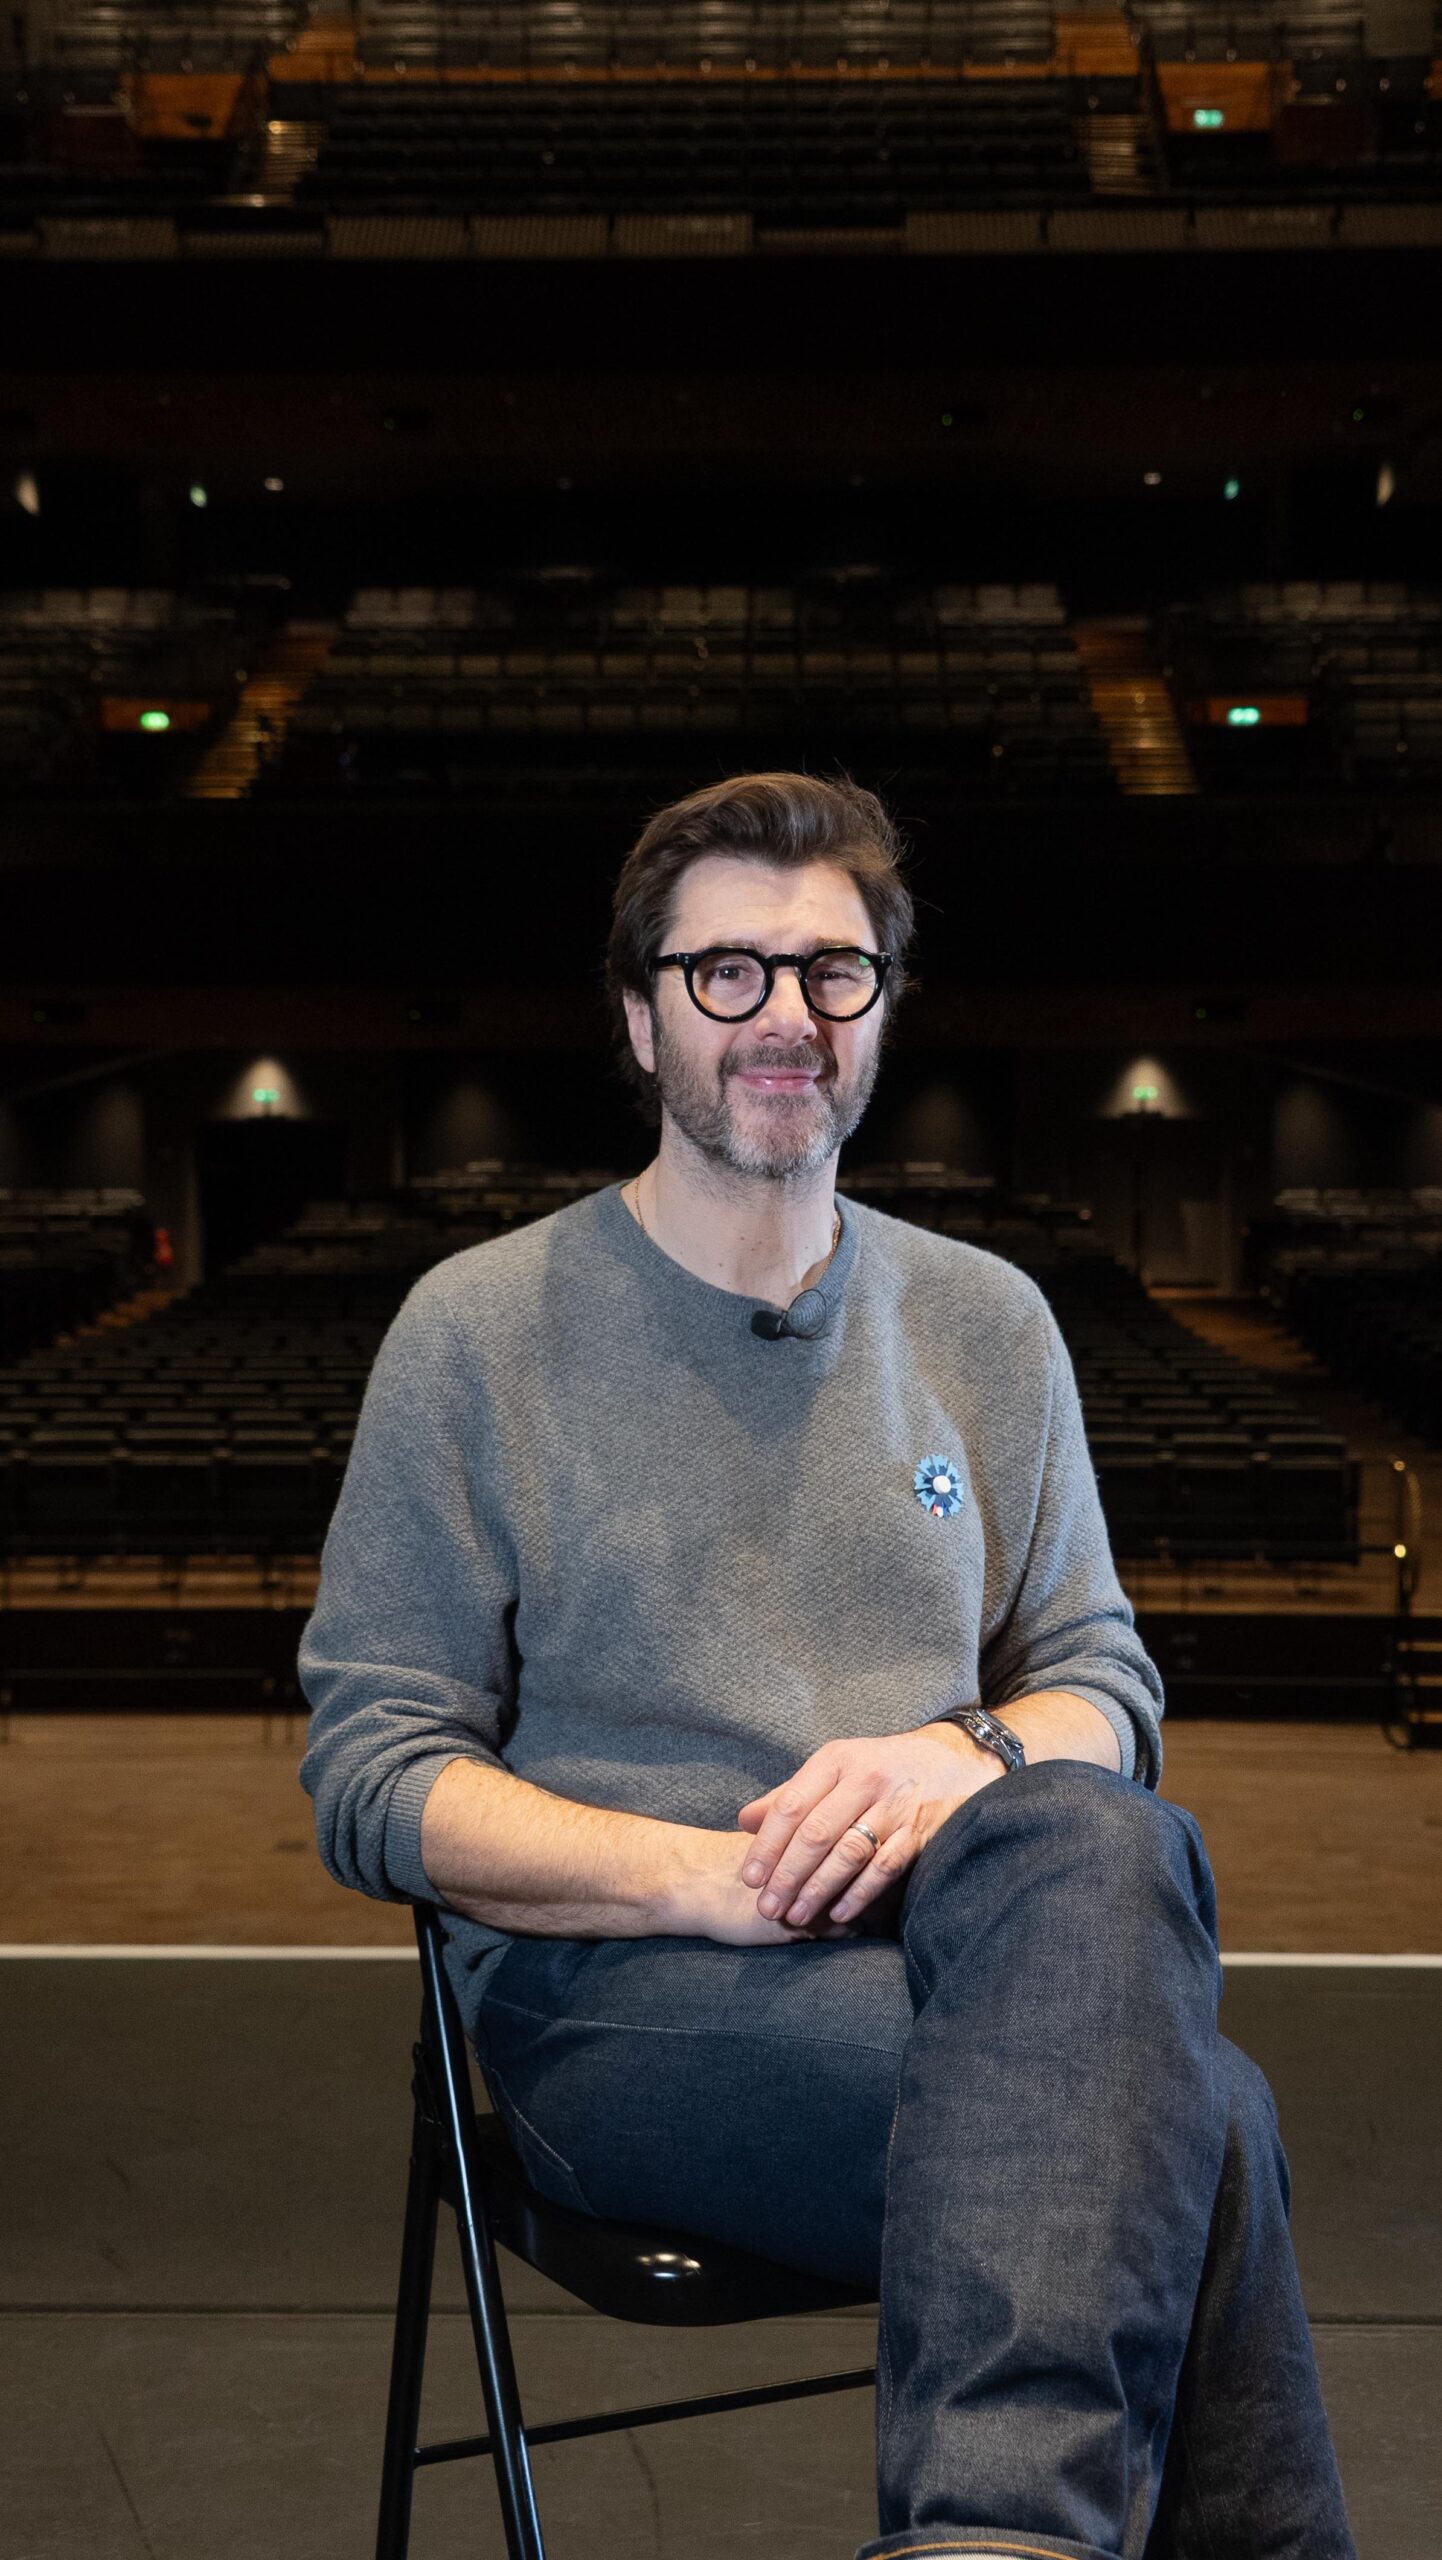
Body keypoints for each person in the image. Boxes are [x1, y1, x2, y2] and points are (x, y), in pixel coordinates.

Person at [298, 770, 1357, 2560]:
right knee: (1199, 2116)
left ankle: (987, 2543)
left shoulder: (985, 1322)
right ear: (640, 1017)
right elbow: (372, 1778)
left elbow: (1105, 1684)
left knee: (1091, 1836)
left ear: (878, 1012)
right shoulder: (473, 1335)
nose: (785, 1015)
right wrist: (704, 1883)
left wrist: (963, 1757)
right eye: (728, 973)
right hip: (629, 1998)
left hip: (967, 1947)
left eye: (833, 973)